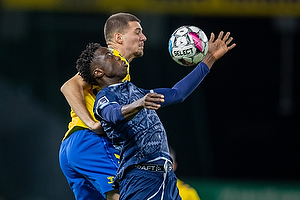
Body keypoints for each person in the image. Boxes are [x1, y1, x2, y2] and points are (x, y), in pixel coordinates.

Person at [75, 31, 235, 199]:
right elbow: (113, 114)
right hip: (141, 179)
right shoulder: (104, 97)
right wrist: (139, 103)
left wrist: (209, 58)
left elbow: (177, 93)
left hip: (167, 179)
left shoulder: (137, 92)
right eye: (109, 56)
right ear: (99, 73)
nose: (117, 57)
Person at [59, 13, 146, 200]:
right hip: (91, 141)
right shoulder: (107, 61)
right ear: (118, 38)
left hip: (71, 146)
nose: (143, 37)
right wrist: (92, 124)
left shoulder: (119, 71)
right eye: (137, 32)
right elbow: (69, 86)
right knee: (127, 195)